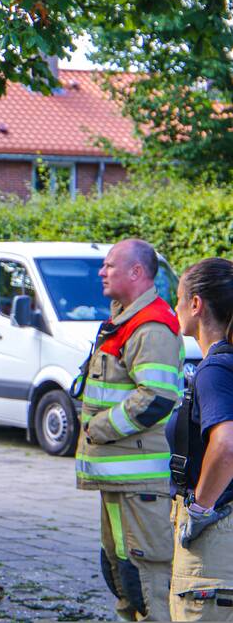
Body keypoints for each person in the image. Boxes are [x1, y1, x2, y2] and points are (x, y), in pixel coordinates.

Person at [72, 238, 182, 621]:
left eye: (110, 266)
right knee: (121, 576)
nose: (102, 272)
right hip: (121, 480)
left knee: (145, 583)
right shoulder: (125, 320)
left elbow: (157, 396)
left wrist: (97, 428)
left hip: (138, 484)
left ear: (136, 272)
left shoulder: (151, 328)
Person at [166, 258, 233, 620]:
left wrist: (200, 508)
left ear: (196, 304)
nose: (174, 308)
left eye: (178, 299)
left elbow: (226, 445)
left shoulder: (214, 370)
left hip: (216, 548)